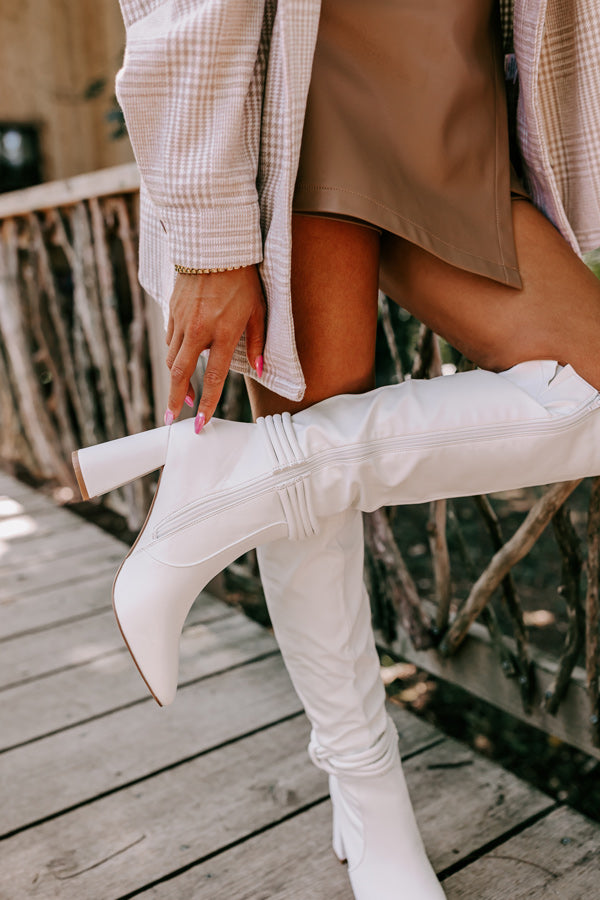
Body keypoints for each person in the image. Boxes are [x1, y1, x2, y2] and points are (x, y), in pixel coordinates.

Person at [74, 1, 600, 897]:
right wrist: (209, 234)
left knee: (577, 391)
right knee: (312, 410)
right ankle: (365, 791)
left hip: (453, 94)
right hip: (300, 91)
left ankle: (253, 474)